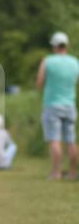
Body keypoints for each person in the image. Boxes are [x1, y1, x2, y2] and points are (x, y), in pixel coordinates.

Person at [36, 31, 79, 180]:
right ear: (67, 45)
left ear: (54, 46)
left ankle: (56, 173)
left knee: (54, 140)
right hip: (70, 105)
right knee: (71, 140)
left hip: (52, 105)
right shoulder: (75, 62)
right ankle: (73, 173)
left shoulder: (47, 61)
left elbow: (39, 83)